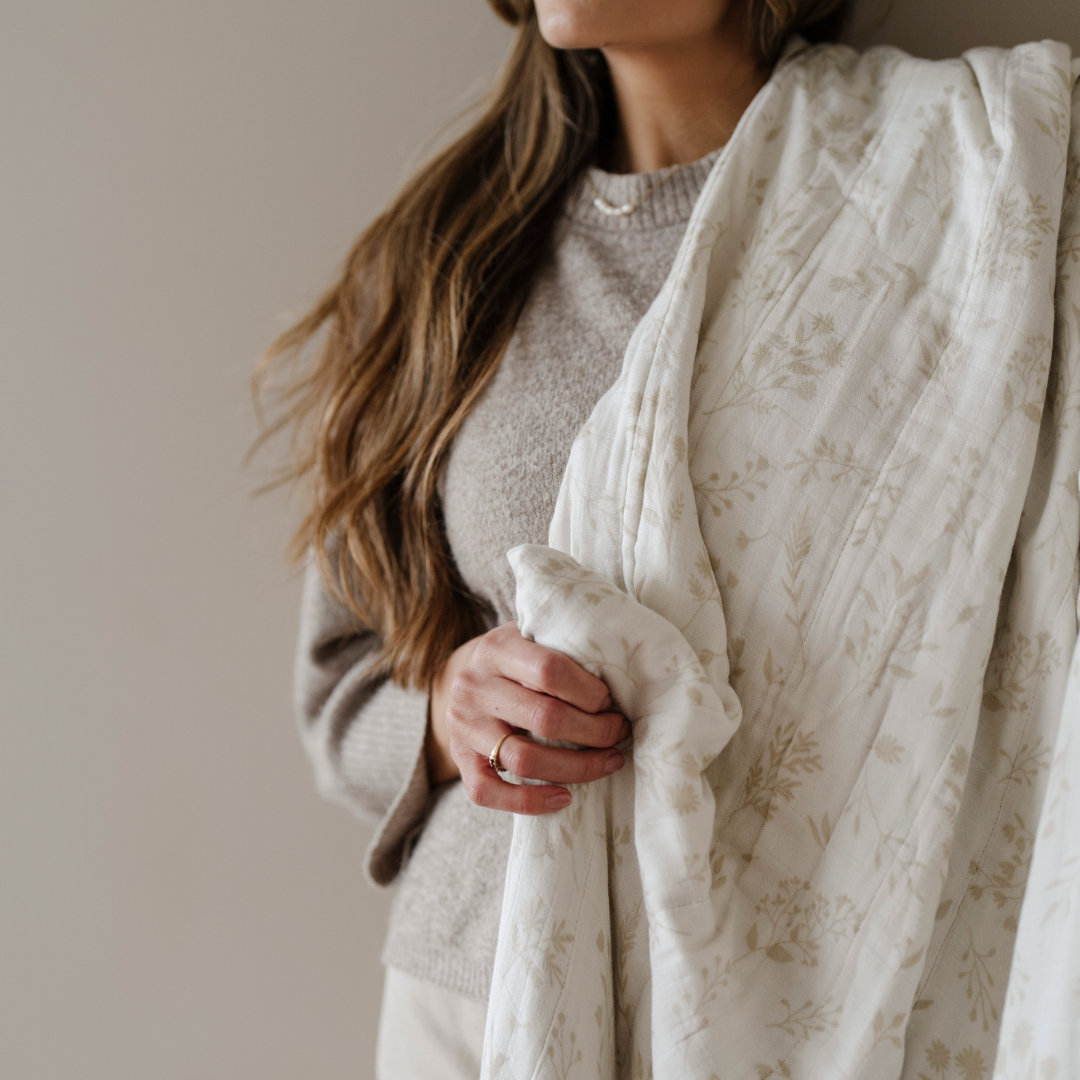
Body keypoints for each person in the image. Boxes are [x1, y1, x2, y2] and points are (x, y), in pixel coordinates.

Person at [259, 0, 885, 1075]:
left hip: (799, 1003)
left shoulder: (938, 204)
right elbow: (340, 690)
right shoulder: (448, 260)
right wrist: (454, 713)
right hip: (476, 992)